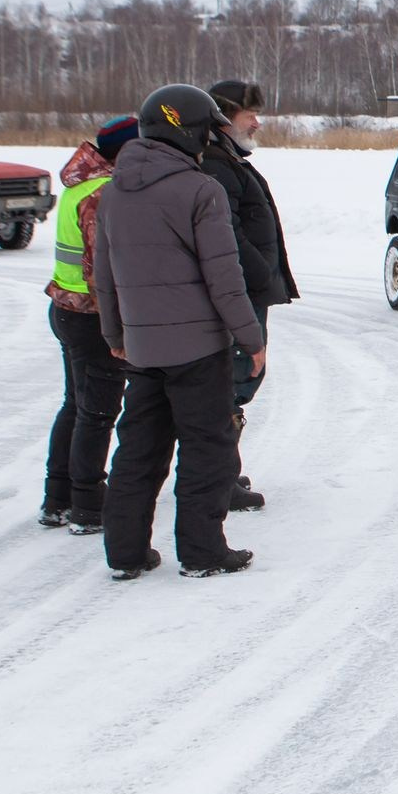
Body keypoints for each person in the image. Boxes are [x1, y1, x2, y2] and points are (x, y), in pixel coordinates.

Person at [95, 84, 266, 579]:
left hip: (143, 351)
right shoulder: (200, 190)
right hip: (198, 351)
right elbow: (225, 279)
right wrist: (251, 340)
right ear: (188, 132)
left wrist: (114, 335)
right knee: (207, 449)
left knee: (138, 451)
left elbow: (103, 276)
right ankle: (202, 552)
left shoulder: (113, 191)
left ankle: (125, 554)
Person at [40, 113, 139, 532]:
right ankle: (86, 505)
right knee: (98, 412)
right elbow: (103, 272)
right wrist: (119, 325)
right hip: (91, 316)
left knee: (77, 405)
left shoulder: (80, 183)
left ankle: (56, 498)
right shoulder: (103, 193)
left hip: (65, 307)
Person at [201, 79, 297, 511]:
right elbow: (229, 237)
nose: (257, 123)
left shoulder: (228, 159)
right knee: (232, 382)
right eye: (249, 115)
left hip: (246, 289)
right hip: (238, 292)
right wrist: (262, 274)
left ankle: (220, 471)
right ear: (223, 117)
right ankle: (216, 479)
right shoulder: (217, 165)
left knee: (237, 382)